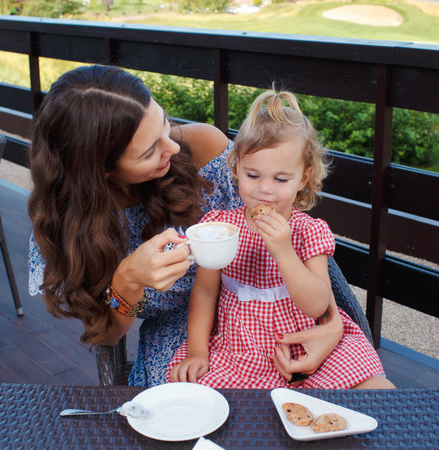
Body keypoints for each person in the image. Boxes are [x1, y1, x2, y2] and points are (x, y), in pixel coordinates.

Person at [28, 65, 344, 387]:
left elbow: (289, 236)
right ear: (100, 171)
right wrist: (127, 281)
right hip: (183, 340)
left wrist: (332, 327)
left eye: (164, 124)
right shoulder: (67, 227)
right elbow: (106, 337)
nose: (173, 147)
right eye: (150, 150)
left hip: (280, 314)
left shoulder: (203, 147)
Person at [168, 90, 396, 389]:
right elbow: (205, 294)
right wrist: (198, 351)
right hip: (240, 352)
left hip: (308, 347)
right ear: (236, 168)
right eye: (253, 175)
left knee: (379, 390)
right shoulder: (220, 227)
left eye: (280, 179)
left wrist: (285, 253)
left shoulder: (308, 232)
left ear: (304, 177)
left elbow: (318, 306)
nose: (265, 190)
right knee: (198, 399)